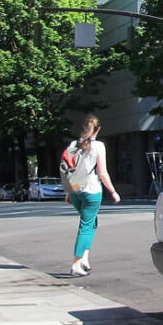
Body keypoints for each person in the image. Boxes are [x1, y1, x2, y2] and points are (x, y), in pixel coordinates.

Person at [65, 114, 120, 276]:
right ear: (98, 129)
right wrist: (113, 191)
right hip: (91, 191)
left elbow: (68, 170)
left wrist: (68, 192)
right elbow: (102, 173)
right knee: (86, 225)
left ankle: (85, 258)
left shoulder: (73, 145)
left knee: (91, 222)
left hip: (75, 190)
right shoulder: (99, 146)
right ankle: (76, 263)